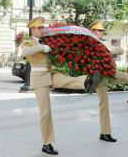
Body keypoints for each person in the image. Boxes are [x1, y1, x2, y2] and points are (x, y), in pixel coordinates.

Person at [21, 17, 100, 155]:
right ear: (32, 29)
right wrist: (41, 47)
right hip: (39, 79)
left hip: (51, 73)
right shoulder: (28, 42)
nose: (42, 29)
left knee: (67, 79)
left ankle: (87, 81)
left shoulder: (47, 41)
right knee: (45, 112)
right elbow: (25, 53)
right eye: (39, 28)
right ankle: (46, 144)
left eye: (42, 27)